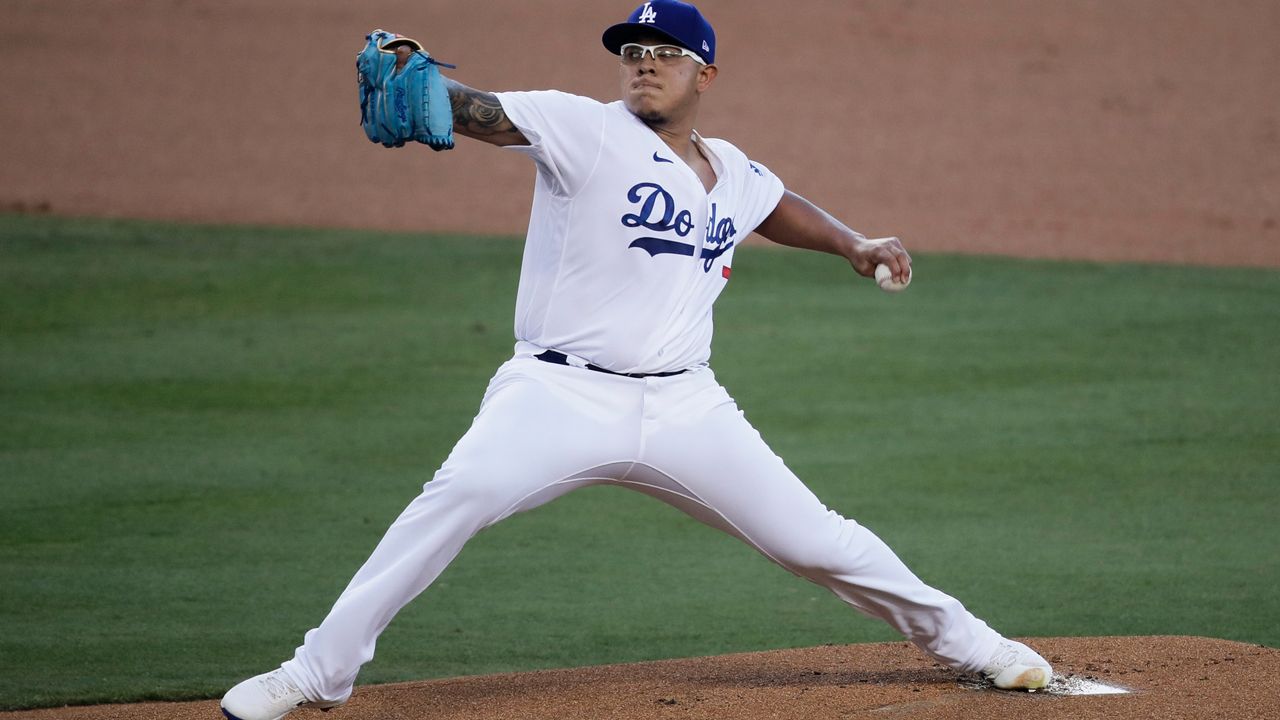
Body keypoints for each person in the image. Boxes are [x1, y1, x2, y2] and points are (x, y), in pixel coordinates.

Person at [220, 2, 1052, 718]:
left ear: (706, 76)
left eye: (664, 55)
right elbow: (480, 111)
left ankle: (976, 646)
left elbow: (774, 205)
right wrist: (422, 78)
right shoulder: (582, 127)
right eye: (633, 53)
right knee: (457, 497)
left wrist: (853, 244)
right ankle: (313, 675)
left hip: (689, 409)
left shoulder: (732, 171)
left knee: (818, 541)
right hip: (555, 395)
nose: (644, 66)